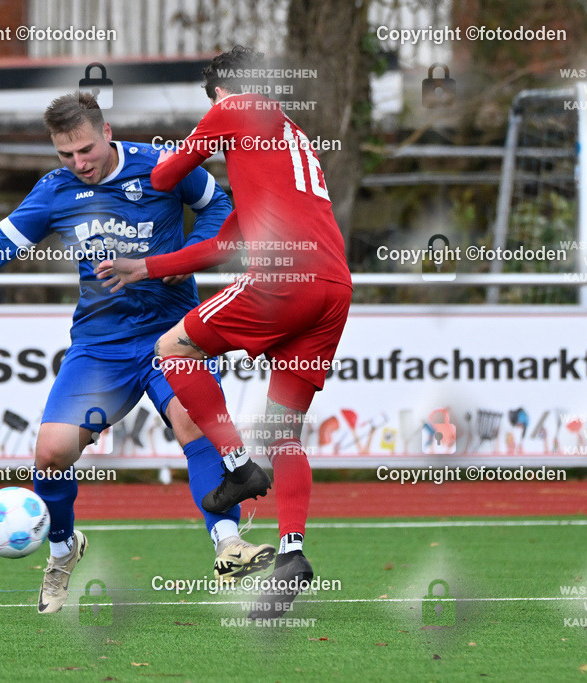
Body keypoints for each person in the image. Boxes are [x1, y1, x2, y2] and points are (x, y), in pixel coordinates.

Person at [0, 92, 274, 614]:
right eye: (66, 155)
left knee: (195, 424)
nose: (78, 163)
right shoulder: (55, 191)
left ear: (107, 132)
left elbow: (219, 205)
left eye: (85, 149)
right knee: (51, 453)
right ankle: (62, 550)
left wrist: (186, 257)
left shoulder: (163, 166)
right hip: (102, 345)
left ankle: (228, 545)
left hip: (174, 333)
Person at [96, 47, 352, 618]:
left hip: (288, 278)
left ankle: (235, 465)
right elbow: (219, 244)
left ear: (218, 91)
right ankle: (292, 554)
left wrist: (173, 154)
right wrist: (148, 267)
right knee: (284, 430)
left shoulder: (235, 107)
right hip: (334, 287)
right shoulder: (288, 139)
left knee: (170, 347)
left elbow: (165, 174)